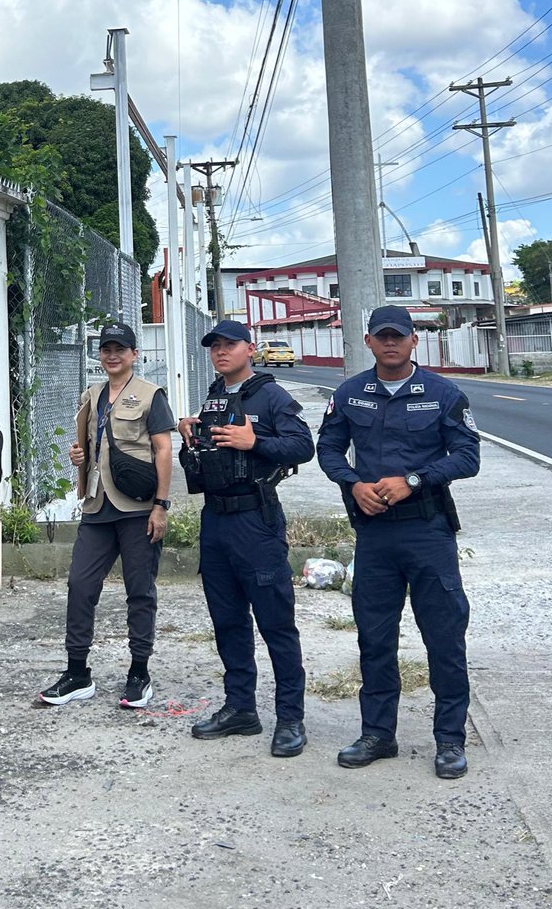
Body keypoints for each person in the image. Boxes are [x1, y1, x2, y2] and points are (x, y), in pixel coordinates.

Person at [316, 305, 480, 780]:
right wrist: (352, 484)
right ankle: (377, 734)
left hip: (427, 532)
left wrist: (414, 480)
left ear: (413, 341)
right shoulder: (349, 394)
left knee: (444, 637)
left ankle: (449, 740)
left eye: (399, 336)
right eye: (382, 336)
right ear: (368, 341)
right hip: (375, 534)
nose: (391, 343)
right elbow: (328, 448)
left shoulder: (443, 394)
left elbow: (468, 456)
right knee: (374, 637)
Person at [176, 320, 315, 756]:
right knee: (228, 620)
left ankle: (290, 718)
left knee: (275, 622)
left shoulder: (271, 396)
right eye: (214, 346)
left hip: (256, 519)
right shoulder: (215, 396)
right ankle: (240, 708)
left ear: (250, 349)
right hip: (215, 521)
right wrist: (190, 433)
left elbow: (302, 447)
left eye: (230, 344)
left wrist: (254, 441)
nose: (220, 351)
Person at [38, 322, 175, 709]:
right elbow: (89, 445)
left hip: (137, 508)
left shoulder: (150, 396)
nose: (112, 355)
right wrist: (78, 456)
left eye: (120, 349)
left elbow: (163, 450)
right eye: (106, 349)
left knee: (139, 590)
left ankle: (139, 673)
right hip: (98, 506)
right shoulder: (92, 394)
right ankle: (77, 672)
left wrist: (161, 506)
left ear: (134, 354)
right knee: (80, 585)